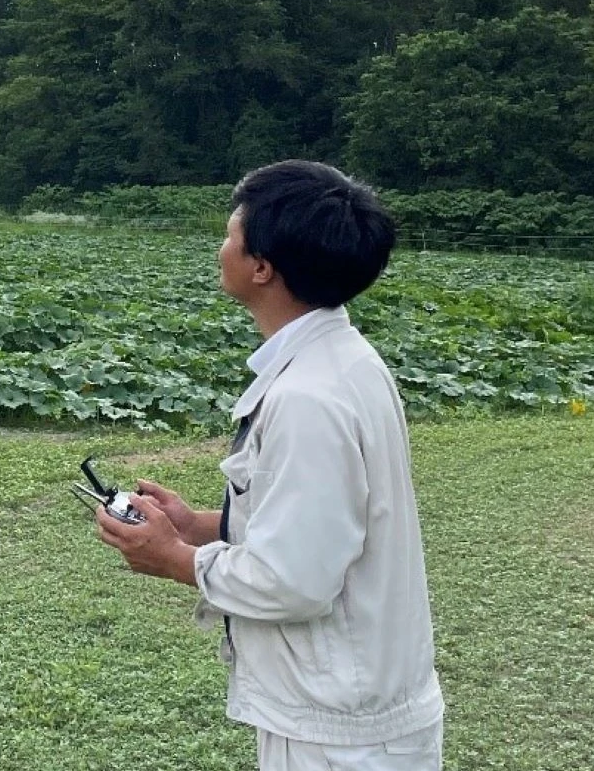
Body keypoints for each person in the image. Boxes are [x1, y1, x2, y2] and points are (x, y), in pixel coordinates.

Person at [95, 160, 444, 770]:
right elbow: (325, 524)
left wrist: (175, 559)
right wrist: (200, 523)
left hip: (338, 732)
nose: (220, 246)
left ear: (262, 266)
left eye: (231, 234)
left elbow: (295, 582)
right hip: (354, 708)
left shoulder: (307, 397)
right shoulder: (346, 360)